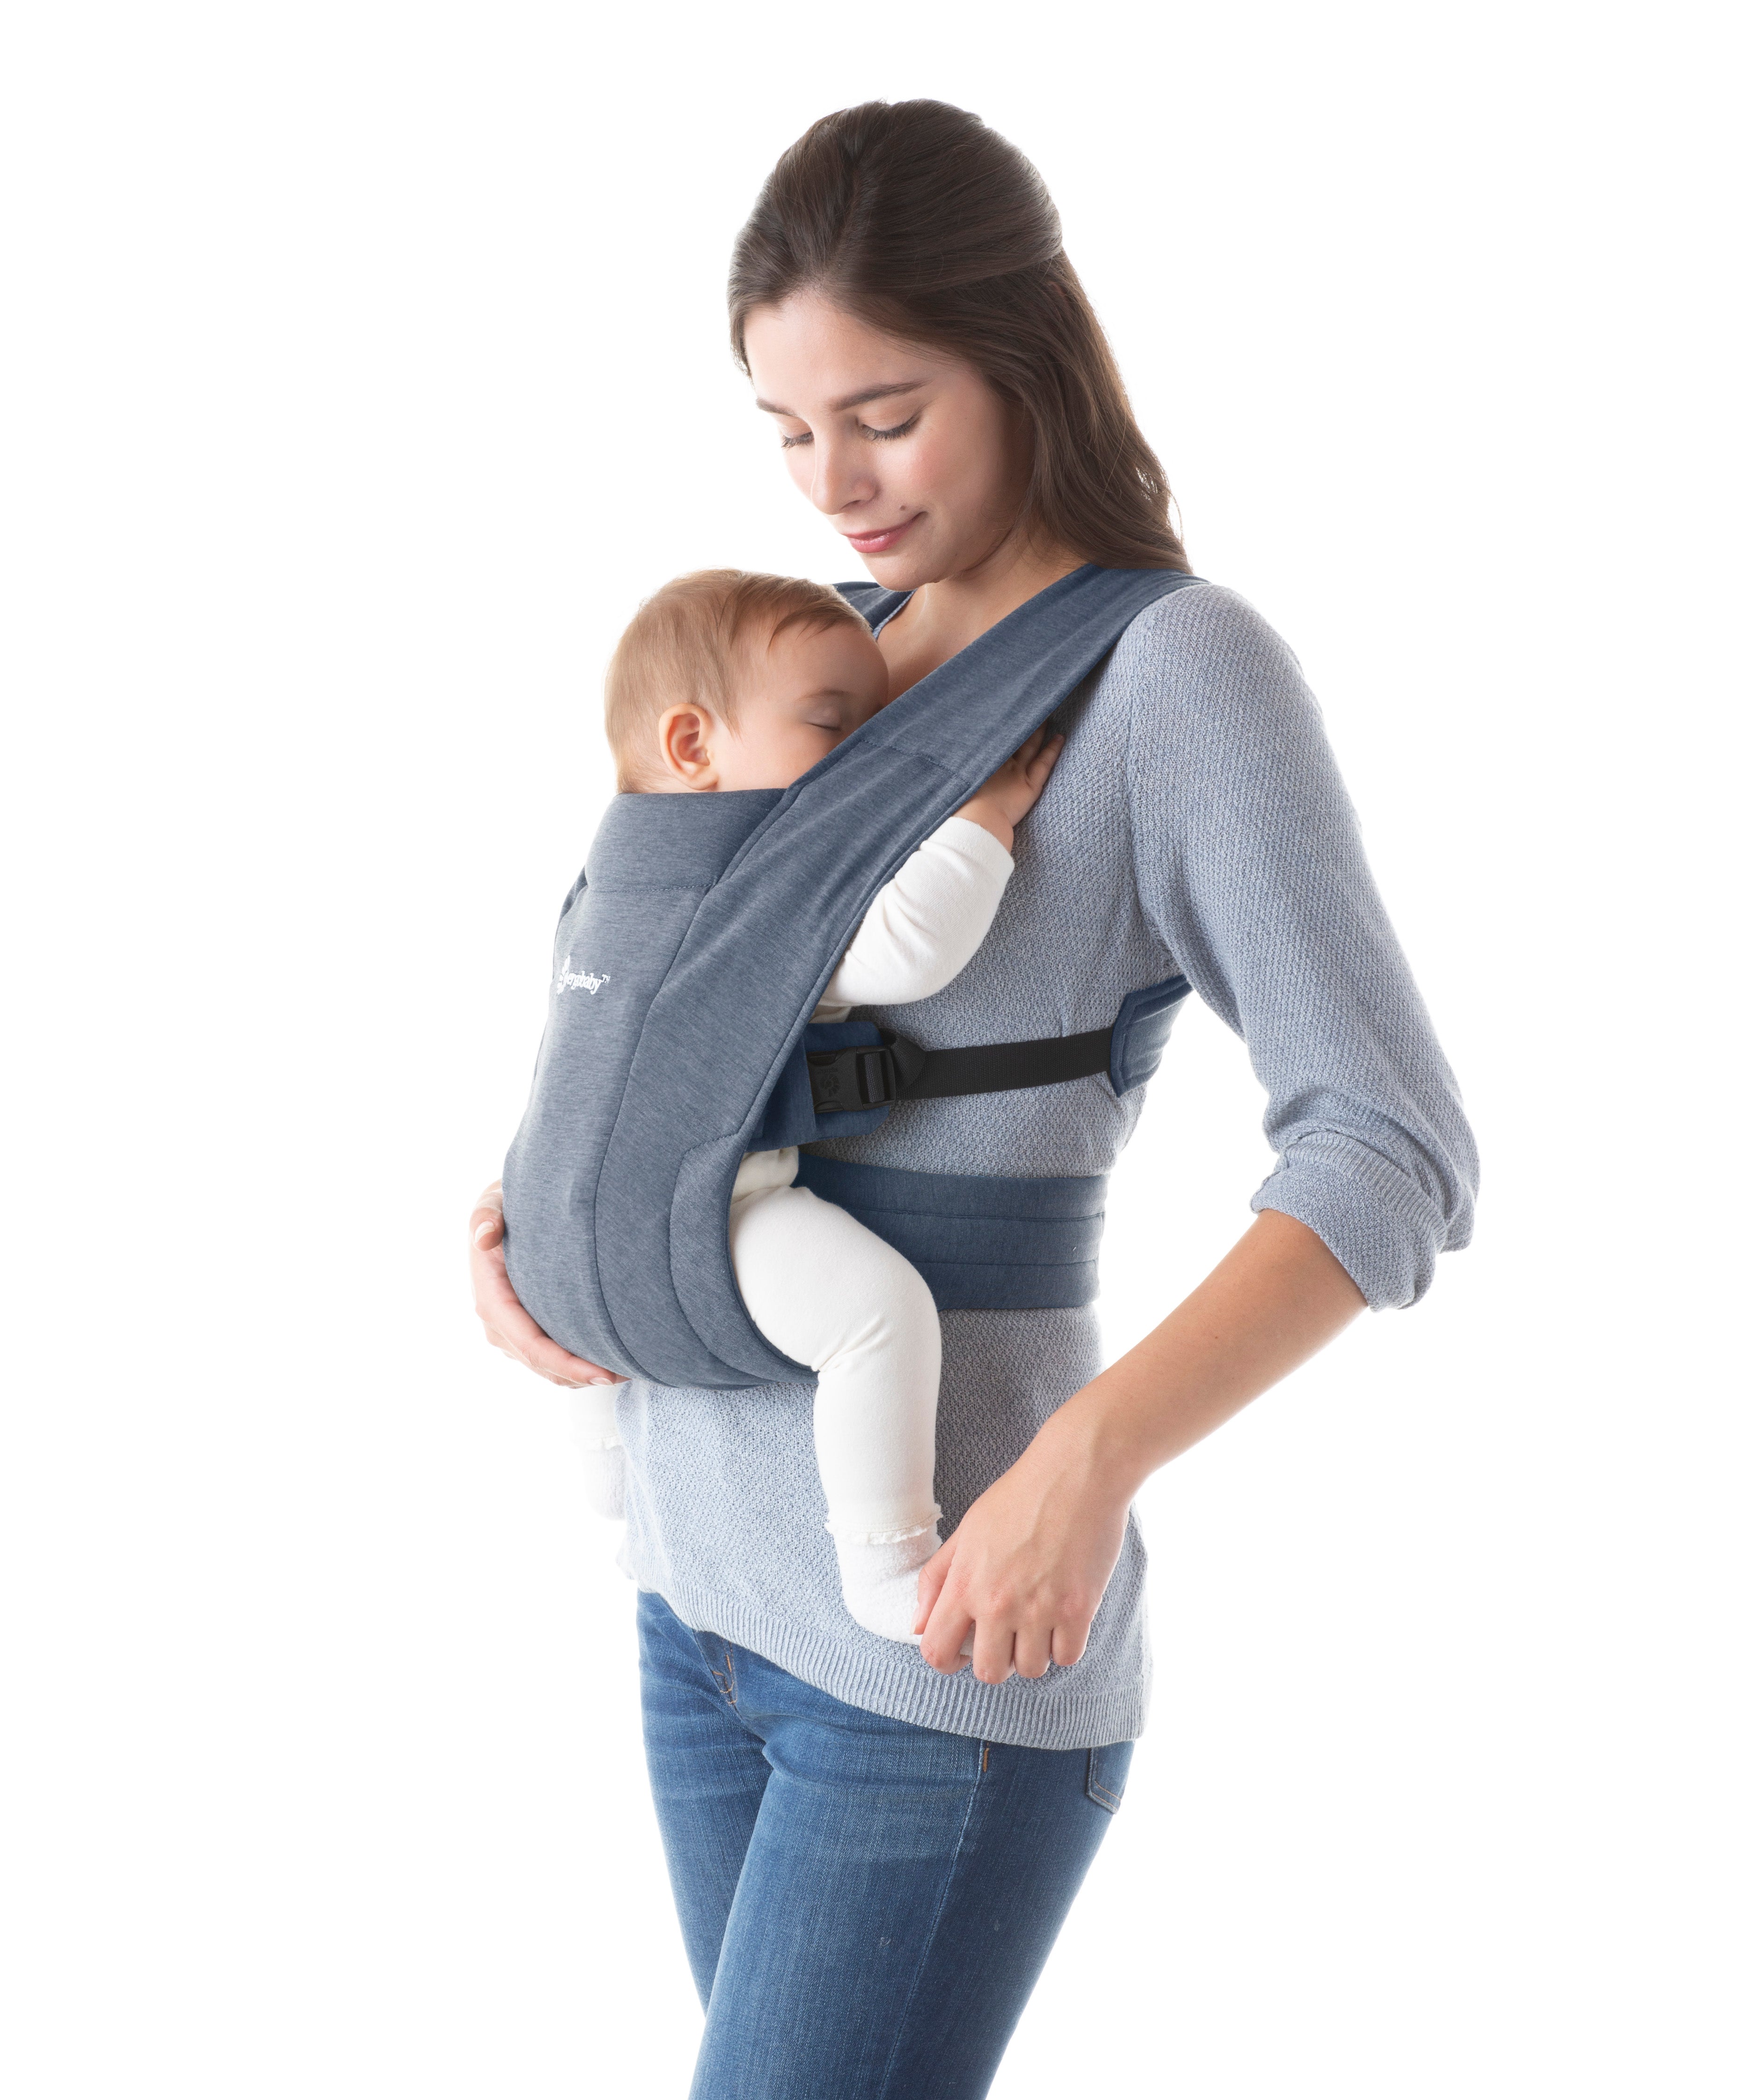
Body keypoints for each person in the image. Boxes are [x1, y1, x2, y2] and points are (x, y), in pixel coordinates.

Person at [469, 99, 1478, 2099]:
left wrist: (1085, 1467)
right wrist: (529, 1217)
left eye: (884, 411)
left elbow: (1389, 1143)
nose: (829, 482)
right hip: (692, 1602)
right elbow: (653, 1001)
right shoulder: (804, 660)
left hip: (936, 1645)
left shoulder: (1168, 677)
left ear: (1025, 356)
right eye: (782, 430)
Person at [551, 566, 1062, 1639]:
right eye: (837, 728)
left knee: (603, 1313)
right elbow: (908, 950)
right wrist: (985, 813)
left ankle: (612, 1477)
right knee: (880, 1314)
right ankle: (885, 1566)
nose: (871, 762)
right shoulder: (743, 891)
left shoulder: (610, 882)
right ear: (694, 748)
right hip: (705, 1216)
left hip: (557, 1225)